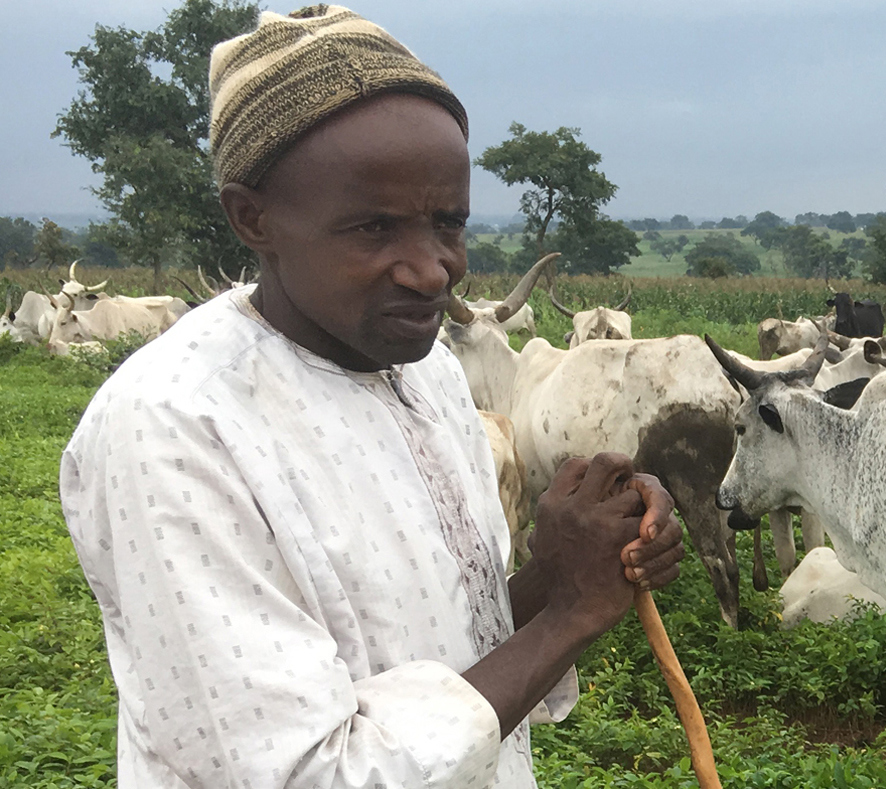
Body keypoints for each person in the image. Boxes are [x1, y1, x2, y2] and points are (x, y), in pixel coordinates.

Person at [58, 6, 685, 786]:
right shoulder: (175, 427)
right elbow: (303, 772)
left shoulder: (424, 372)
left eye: (448, 222)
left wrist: (574, 564)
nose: (432, 270)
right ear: (253, 217)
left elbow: (448, 656)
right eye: (372, 229)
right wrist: (570, 613)